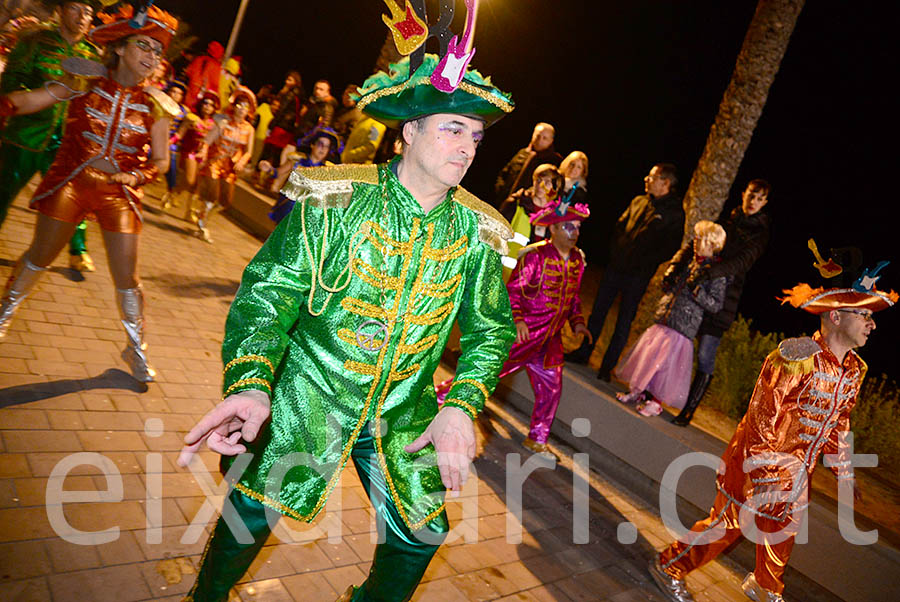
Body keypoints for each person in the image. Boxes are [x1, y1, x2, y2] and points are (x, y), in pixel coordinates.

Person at [176, 47, 517, 601]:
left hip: (404, 412)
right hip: (308, 395)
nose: (466, 148)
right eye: (454, 129)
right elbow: (268, 292)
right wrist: (253, 383)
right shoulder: (336, 198)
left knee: (422, 535)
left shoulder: (477, 232)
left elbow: (491, 330)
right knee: (249, 515)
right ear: (409, 130)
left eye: (475, 137)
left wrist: (460, 405)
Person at [649, 254, 896, 602]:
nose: (872, 325)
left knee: (783, 531)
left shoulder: (854, 370)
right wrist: (763, 471)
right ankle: (668, 565)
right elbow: (762, 415)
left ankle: (765, 587)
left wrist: (844, 468)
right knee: (727, 525)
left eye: (872, 317)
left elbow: (839, 420)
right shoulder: (797, 355)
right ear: (836, 316)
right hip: (755, 463)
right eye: (864, 316)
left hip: (797, 471)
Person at [0, 2, 179, 384]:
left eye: (158, 51)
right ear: (119, 48)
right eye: (144, 46)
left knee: (127, 278)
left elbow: (162, 162)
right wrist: (7, 104)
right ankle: (3, 315)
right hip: (73, 183)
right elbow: (34, 99)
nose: (152, 57)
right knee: (40, 256)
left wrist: (138, 177)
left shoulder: (158, 106)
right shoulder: (83, 82)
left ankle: (135, 348)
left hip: (120, 196)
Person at [438, 201, 591, 459]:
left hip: (549, 341)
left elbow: (573, 298)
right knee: (489, 371)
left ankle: (537, 438)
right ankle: (442, 396)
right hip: (524, 335)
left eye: (577, 227)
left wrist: (577, 323)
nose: (574, 231)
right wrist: (518, 320)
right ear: (553, 229)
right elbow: (514, 292)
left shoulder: (577, 260)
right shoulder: (536, 256)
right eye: (568, 226)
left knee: (552, 386)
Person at [0, 1, 103, 272]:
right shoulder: (35, 41)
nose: (83, 17)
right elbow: (11, 83)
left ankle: (78, 250)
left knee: (74, 199)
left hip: (68, 144)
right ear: (61, 9)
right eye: (76, 8)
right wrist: (32, 98)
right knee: (3, 192)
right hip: (25, 136)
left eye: (89, 12)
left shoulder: (93, 55)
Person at [566, 163, 685, 381]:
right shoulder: (639, 201)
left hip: (638, 275)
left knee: (624, 321)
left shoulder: (675, 213)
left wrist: (642, 262)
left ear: (665, 182)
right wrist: (617, 252)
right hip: (616, 268)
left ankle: (606, 367)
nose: (646, 180)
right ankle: (584, 352)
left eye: (652, 177)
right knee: (598, 312)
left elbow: (668, 247)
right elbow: (620, 226)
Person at [672, 179, 771, 426]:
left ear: (764, 203)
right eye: (751, 195)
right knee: (678, 344)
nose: (753, 202)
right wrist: (680, 266)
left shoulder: (760, 234)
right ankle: (659, 395)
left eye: (759, 199)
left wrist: (710, 274)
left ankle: (688, 411)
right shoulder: (728, 220)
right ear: (743, 194)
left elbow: (741, 263)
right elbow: (703, 241)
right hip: (698, 293)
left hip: (725, 300)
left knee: (706, 354)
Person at [614, 221, 727, 417]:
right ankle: (638, 391)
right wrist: (669, 284)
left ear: (711, 244)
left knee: (666, 366)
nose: (695, 241)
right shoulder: (691, 262)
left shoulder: (715, 274)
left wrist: (697, 292)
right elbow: (678, 285)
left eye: (700, 239)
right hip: (667, 318)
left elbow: (716, 304)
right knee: (649, 357)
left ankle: (656, 402)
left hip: (683, 326)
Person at [193, 86, 255, 243]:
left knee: (224, 201)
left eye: (245, 107)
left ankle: (202, 215)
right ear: (234, 107)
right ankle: (202, 225)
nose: (242, 109)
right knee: (211, 194)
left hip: (230, 167)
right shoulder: (222, 122)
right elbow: (207, 141)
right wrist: (204, 151)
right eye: (239, 105)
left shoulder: (249, 129)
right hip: (215, 161)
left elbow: (249, 151)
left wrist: (242, 160)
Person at [266, 125, 340, 223]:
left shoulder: (328, 170)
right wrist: (268, 169)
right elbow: (276, 173)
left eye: (326, 146)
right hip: (288, 208)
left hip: (308, 214)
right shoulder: (297, 160)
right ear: (312, 145)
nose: (322, 149)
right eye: (320, 144)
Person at [173, 91, 218, 222]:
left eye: (211, 105)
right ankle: (175, 191)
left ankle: (190, 211)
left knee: (198, 185)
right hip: (190, 152)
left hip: (205, 156)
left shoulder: (215, 124)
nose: (207, 107)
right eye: (205, 103)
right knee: (189, 180)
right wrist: (170, 141)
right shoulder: (191, 118)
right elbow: (180, 134)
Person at [494, 121, 562, 205]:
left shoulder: (554, 161)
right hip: (504, 201)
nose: (540, 140)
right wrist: (500, 190)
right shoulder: (523, 152)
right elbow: (504, 173)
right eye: (538, 136)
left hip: (528, 206)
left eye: (545, 138)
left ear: (551, 140)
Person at [256, 69, 303, 170]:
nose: (287, 82)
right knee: (277, 154)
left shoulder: (289, 94)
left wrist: (271, 125)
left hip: (281, 126)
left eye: (290, 80)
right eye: (287, 79)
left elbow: (281, 111)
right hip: (288, 129)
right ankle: (271, 178)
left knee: (267, 151)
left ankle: (257, 172)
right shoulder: (299, 95)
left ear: (296, 82)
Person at [159, 79, 191, 210]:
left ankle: (171, 191)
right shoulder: (159, 104)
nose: (174, 95)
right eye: (173, 91)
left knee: (171, 165)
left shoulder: (184, 112)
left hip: (170, 141)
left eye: (178, 93)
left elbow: (181, 132)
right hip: (153, 137)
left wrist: (169, 142)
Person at [183, 40, 223, 110]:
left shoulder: (199, 59)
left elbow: (188, 73)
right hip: (203, 98)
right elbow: (215, 84)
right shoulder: (216, 67)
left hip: (190, 92)